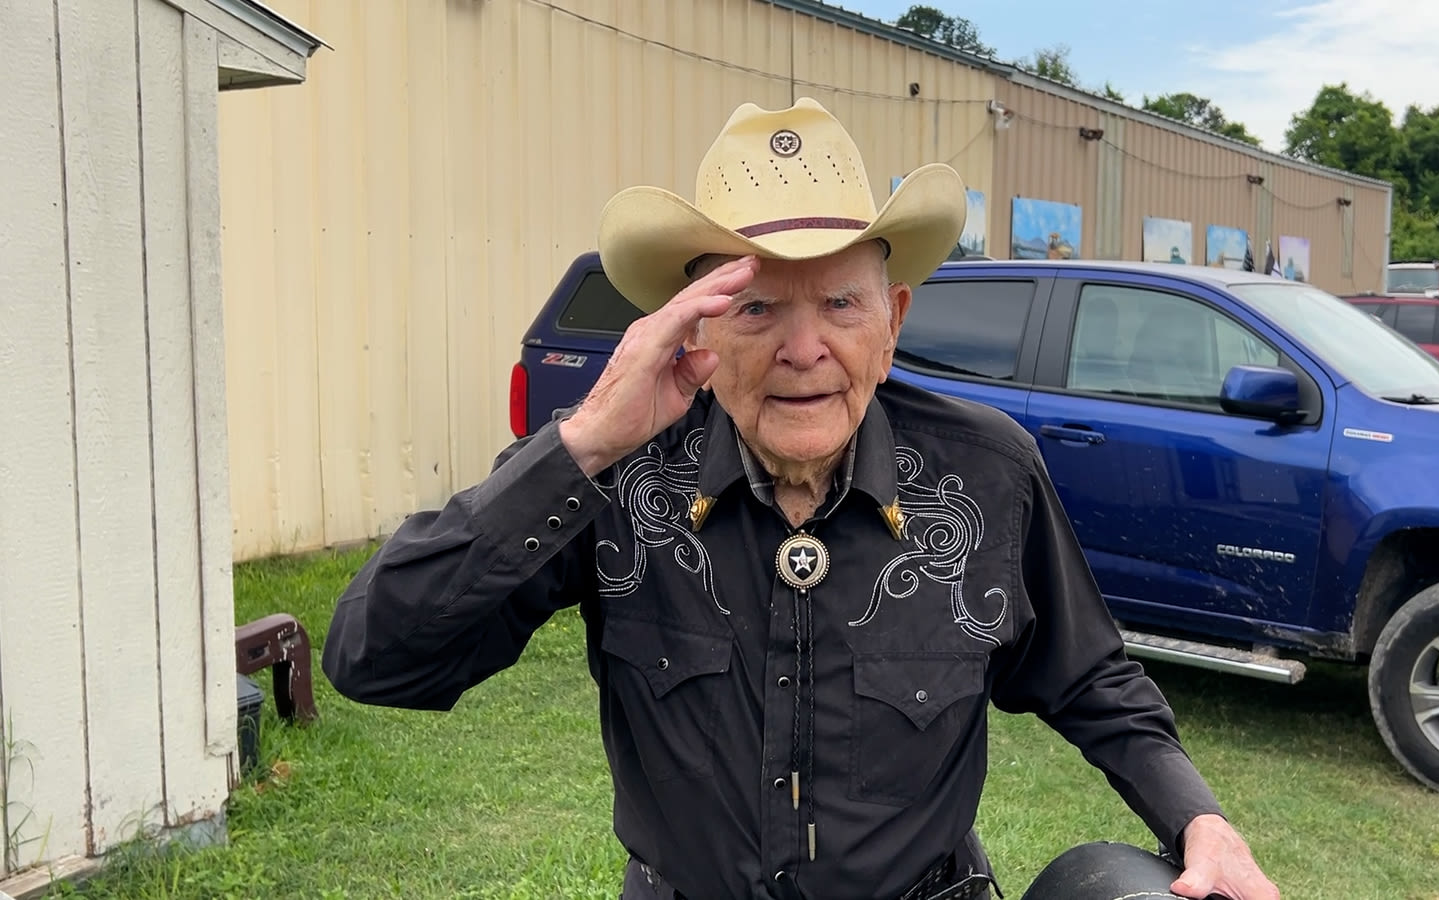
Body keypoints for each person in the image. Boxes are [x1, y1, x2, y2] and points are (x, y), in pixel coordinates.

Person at [322, 97, 1279, 900]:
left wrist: (1202, 821)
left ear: (894, 319)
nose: (804, 349)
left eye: (840, 304)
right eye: (758, 307)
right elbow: (375, 658)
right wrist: (581, 442)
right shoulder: (619, 477)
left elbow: (1092, 679)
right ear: (695, 330)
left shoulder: (986, 473)